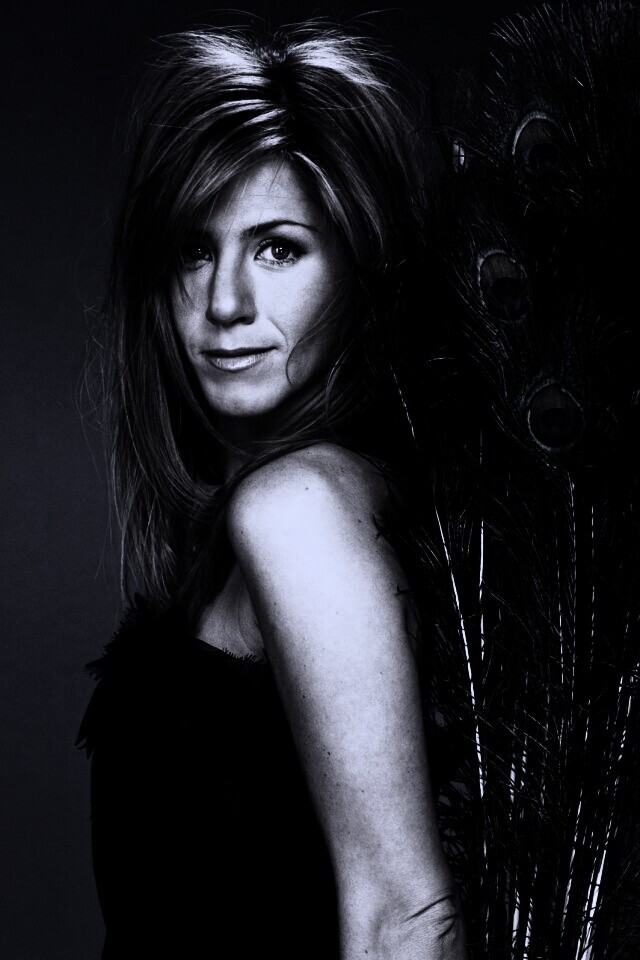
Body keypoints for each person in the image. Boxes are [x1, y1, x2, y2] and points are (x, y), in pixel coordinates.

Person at [78, 23, 467, 959]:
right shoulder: (308, 505)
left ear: (358, 266)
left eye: (279, 250)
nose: (224, 304)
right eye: (194, 251)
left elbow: (406, 919)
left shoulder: (296, 512)